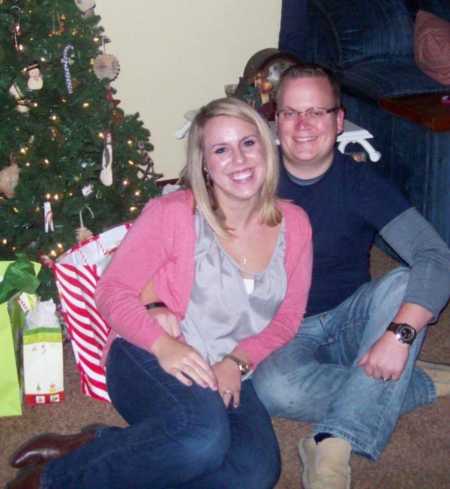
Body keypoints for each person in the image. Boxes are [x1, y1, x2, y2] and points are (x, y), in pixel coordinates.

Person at [6, 97, 313, 489]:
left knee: (254, 475)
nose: (239, 159)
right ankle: (52, 480)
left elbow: (287, 320)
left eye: (248, 143)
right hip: (147, 354)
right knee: (201, 439)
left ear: (266, 147)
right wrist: (164, 345)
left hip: (227, 367)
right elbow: (112, 291)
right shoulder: (173, 213)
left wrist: (236, 362)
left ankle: (106, 444)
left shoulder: (296, 224)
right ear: (204, 162)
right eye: (221, 149)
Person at [251, 63, 450, 489]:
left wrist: (400, 334)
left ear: (339, 120)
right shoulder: (252, 180)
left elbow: (435, 254)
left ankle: (332, 447)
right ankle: (414, 380)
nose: (303, 126)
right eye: (290, 113)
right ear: (276, 119)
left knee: (401, 282)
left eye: (317, 112)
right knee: (271, 391)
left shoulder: (361, 182)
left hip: (352, 319)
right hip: (285, 331)